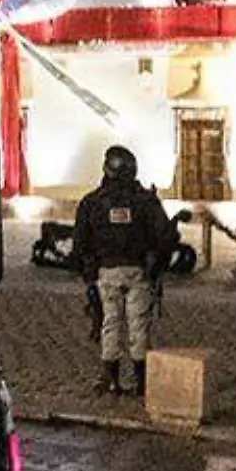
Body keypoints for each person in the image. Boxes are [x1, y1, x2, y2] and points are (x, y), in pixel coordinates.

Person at [71, 145, 173, 397]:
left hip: (106, 272)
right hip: (138, 271)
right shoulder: (145, 201)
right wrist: (158, 266)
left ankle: (112, 379)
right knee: (138, 325)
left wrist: (87, 274)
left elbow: (80, 243)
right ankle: (141, 382)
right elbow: (165, 237)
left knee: (110, 323)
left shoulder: (92, 202)